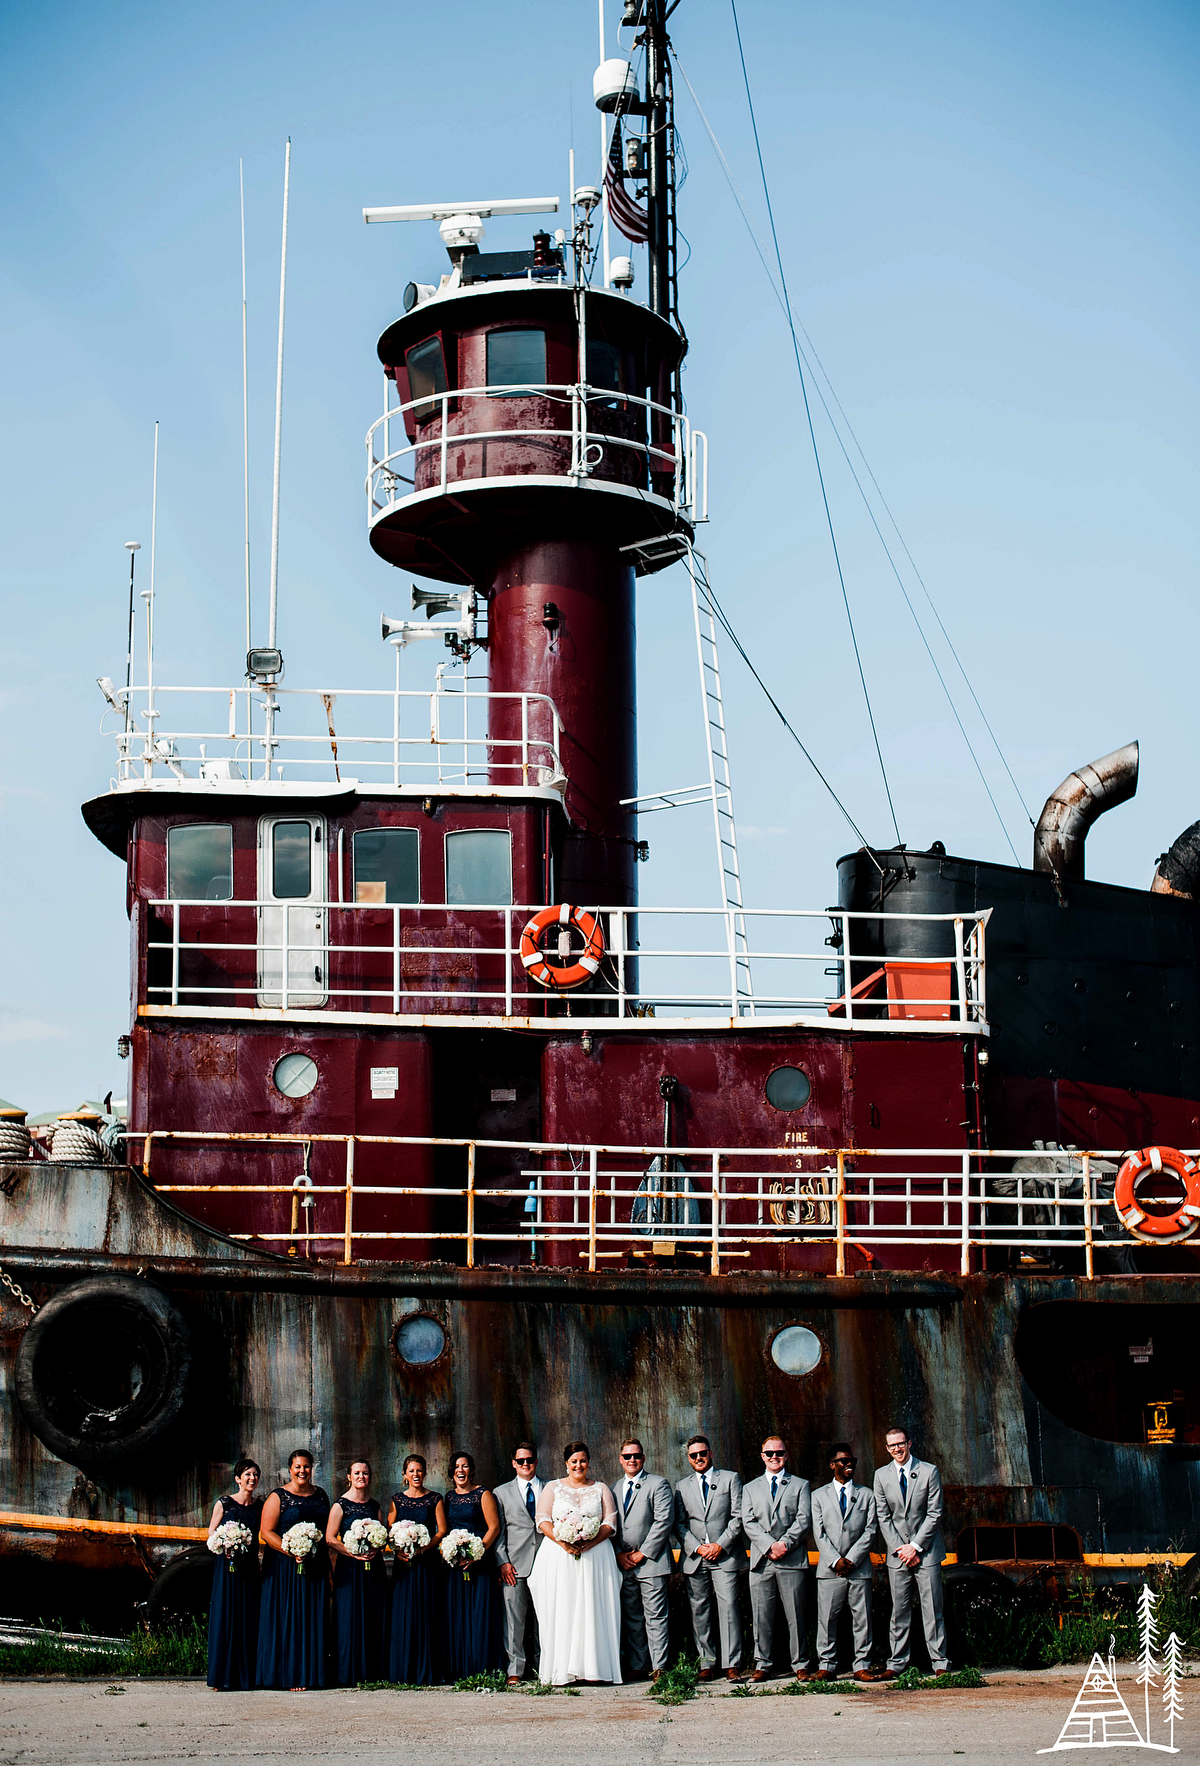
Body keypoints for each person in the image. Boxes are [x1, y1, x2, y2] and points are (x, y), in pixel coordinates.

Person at [527, 1440, 622, 1685]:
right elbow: (542, 1519)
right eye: (574, 1461)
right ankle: (563, 1670)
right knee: (564, 1607)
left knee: (592, 1607)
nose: (578, 1465)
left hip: (595, 1556)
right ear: (566, 1463)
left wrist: (590, 1542)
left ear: (588, 1462)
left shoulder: (600, 1488)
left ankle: (594, 1669)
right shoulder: (553, 1487)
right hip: (560, 1556)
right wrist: (562, 1540)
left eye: (582, 1461)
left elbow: (610, 1521)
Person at [872, 1425, 949, 1678]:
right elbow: (883, 1517)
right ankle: (896, 1663)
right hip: (898, 1556)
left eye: (900, 1443)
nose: (897, 1449)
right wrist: (901, 1549)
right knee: (899, 1610)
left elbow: (935, 1513)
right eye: (892, 1445)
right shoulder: (881, 1476)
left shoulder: (928, 1471)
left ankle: (939, 1662)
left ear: (909, 1443)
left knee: (932, 1609)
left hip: (926, 1553)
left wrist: (915, 1546)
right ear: (887, 1449)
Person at [256, 1449, 331, 1690]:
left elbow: (326, 1531)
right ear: (290, 1469)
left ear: (312, 1468)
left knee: (311, 1617)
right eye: (298, 1467)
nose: (302, 1471)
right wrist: (292, 1550)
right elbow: (266, 1532)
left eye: (306, 1467)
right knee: (288, 1618)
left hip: (315, 1564)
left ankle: (310, 1674)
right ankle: (289, 1675)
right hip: (284, 1567)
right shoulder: (279, 1497)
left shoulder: (321, 1495)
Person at [741, 1433, 813, 1682]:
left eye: (779, 1453)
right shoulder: (750, 1488)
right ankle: (763, 1664)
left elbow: (803, 1519)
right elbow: (748, 1522)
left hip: (791, 1559)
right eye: (769, 1453)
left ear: (786, 1455)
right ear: (762, 1456)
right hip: (762, 1561)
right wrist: (769, 1545)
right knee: (761, 1615)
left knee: (796, 1616)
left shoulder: (800, 1485)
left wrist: (785, 1544)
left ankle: (800, 1663)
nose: (774, 1457)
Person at [673, 1435, 744, 1682]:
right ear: (689, 1459)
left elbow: (738, 1517)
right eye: (693, 1455)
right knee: (699, 1610)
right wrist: (698, 1547)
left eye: (702, 1453)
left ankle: (731, 1664)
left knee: (728, 1609)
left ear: (710, 1453)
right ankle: (707, 1663)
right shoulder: (682, 1486)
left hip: (724, 1556)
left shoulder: (730, 1478)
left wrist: (720, 1545)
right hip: (696, 1558)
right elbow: (679, 1524)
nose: (698, 1458)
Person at [811, 1443, 883, 1682]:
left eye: (852, 1460)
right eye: (843, 1461)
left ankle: (862, 1665)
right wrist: (835, 1561)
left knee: (862, 1618)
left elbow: (870, 1530)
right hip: (830, 1571)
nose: (849, 1464)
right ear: (833, 1465)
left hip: (858, 1568)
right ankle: (827, 1666)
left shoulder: (867, 1495)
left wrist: (851, 1559)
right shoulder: (818, 1496)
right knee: (827, 1619)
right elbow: (818, 1533)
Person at [612, 1437, 673, 1683]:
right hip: (625, 1564)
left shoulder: (658, 1484)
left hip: (652, 1562)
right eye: (627, 1456)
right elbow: (610, 1524)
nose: (632, 1460)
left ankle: (660, 1667)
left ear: (643, 1458)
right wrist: (619, 1553)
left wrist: (642, 1552)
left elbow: (663, 1522)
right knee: (632, 1618)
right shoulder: (614, 1488)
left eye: (636, 1456)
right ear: (620, 1460)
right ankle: (639, 1665)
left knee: (656, 1616)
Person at [442, 1450, 504, 1678]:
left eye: (465, 1466)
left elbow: (494, 1528)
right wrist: (454, 1553)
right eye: (457, 1466)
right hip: (456, 1566)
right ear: (452, 1471)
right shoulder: (449, 1497)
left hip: (480, 1562)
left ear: (471, 1470)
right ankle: (460, 1668)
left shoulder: (483, 1494)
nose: (461, 1470)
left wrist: (476, 1553)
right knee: (458, 1614)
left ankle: (483, 1666)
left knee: (481, 1613)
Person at [327, 1458, 388, 1686]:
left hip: (373, 1568)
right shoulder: (340, 1505)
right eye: (357, 1473)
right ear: (349, 1477)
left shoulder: (374, 1506)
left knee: (373, 1614)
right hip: (349, 1568)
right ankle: (349, 1671)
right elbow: (330, 1538)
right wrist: (353, 1552)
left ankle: (374, 1671)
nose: (361, 1476)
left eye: (365, 1473)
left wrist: (375, 1546)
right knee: (350, 1616)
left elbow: (381, 1536)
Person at [387, 1453, 447, 1685]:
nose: (416, 1475)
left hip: (427, 1564)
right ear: (404, 1475)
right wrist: (397, 1550)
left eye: (420, 1471)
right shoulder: (397, 1500)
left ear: (425, 1473)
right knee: (405, 1614)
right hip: (404, 1567)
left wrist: (424, 1548)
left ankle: (427, 1670)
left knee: (427, 1613)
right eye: (411, 1471)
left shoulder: (435, 1499)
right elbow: (389, 1532)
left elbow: (441, 1530)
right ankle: (405, 1670)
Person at [206, 1455, 263, 1691]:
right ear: (238, 1479)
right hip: (227, 1567)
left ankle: (246, 1675)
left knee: (248, 1617)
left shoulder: (260, 1506)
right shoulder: (225, 1503)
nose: (252, 1478)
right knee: (226, 1616)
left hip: (249, 1566)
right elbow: (210, 1535)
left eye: (255, 1475)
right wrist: (225, 1543)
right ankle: (223, 1675)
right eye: (247, 1474)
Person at [493, 1440, 544, 1686]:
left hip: (546, 1564)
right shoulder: (501, 1493)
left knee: (545, 1619)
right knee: (514, 1621)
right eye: (521, 1461)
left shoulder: (551, 1488)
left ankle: (544, 1666)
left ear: (536, 1461)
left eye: (530, 1460)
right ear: (514, 1463)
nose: (526, 1464)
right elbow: (498, 1531)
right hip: (514, 1565)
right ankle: (515, 1670)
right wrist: (503, 1562)